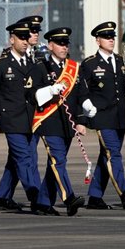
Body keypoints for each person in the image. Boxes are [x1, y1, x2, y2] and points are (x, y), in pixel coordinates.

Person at [79, 21, 125, 209]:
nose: (111, 40)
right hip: (102, 117)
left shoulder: (122, 62)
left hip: (119, 116)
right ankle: (124, 193)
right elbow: (82, 91)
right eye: (106, 37)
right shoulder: (90, 64)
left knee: (106, 156)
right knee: (113, 154)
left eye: (112, 36)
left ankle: (95, 196)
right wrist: (86, 113)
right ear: (98, 40)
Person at [27, 27, 86, 216]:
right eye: (59, 43)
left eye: (66, 43)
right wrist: (49, 91)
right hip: (49, 121)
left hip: (67, 124)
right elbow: (31, 94)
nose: (64, 47)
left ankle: (43, 202)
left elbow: (81, 96)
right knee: (58, 160)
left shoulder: (74, 68)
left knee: (55, 163)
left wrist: (82, 120)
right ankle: (69, 198)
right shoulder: (40, 68)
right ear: (50, 45)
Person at [0, 21, 42, 212]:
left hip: (31, 120)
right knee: (25, 158)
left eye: (27, 37)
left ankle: (4, 195)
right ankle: (36, 195)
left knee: (18, 160)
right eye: (21, 38)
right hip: (11, 120)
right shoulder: (1, 64)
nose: (25, 41)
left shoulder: (32, 63)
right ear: (12, 39)